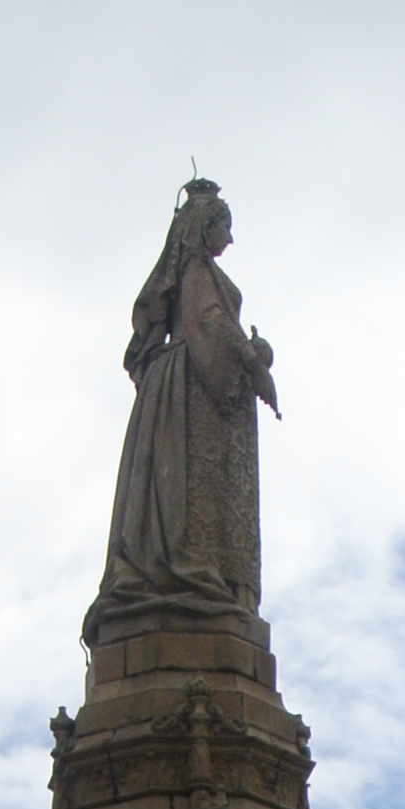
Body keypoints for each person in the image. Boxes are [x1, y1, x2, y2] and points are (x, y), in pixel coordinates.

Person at [95, 179, 278, 623]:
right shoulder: (196, 271)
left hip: (206, 385)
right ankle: (197, 576)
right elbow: (210, 320)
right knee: (195, 484)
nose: (230, 239)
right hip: (192, 385)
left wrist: (253, 353)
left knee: (213, 489)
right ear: (204, 228)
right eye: (225, 228)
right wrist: (251, 361)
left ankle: (217, 577)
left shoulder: (203, 272)